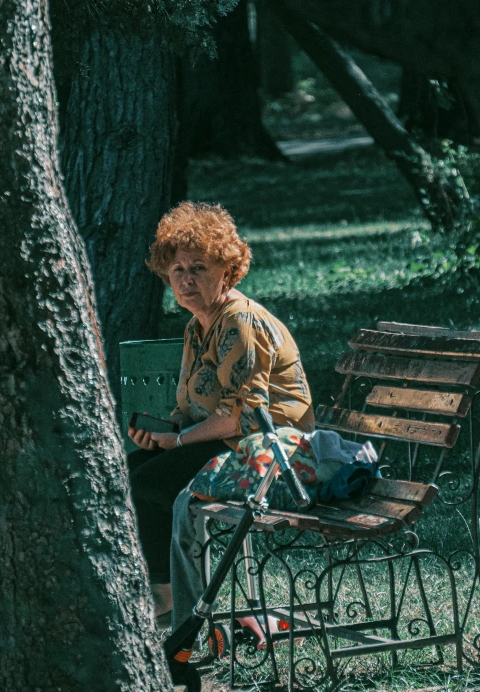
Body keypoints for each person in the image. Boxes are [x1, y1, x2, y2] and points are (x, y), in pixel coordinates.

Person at [127, 201, 315, 635]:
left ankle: (171, 604)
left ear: (227, 271)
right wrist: (166, 430)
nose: (187, 279)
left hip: (278, 456)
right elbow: (194, 408)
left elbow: (237, 418)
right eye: (178, 270)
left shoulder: (240, 321)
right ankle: (162, 594)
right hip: (233, 444)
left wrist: (177, 443)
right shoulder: (199, 324)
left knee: (151, 482)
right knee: (133, 470)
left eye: (199, 268)